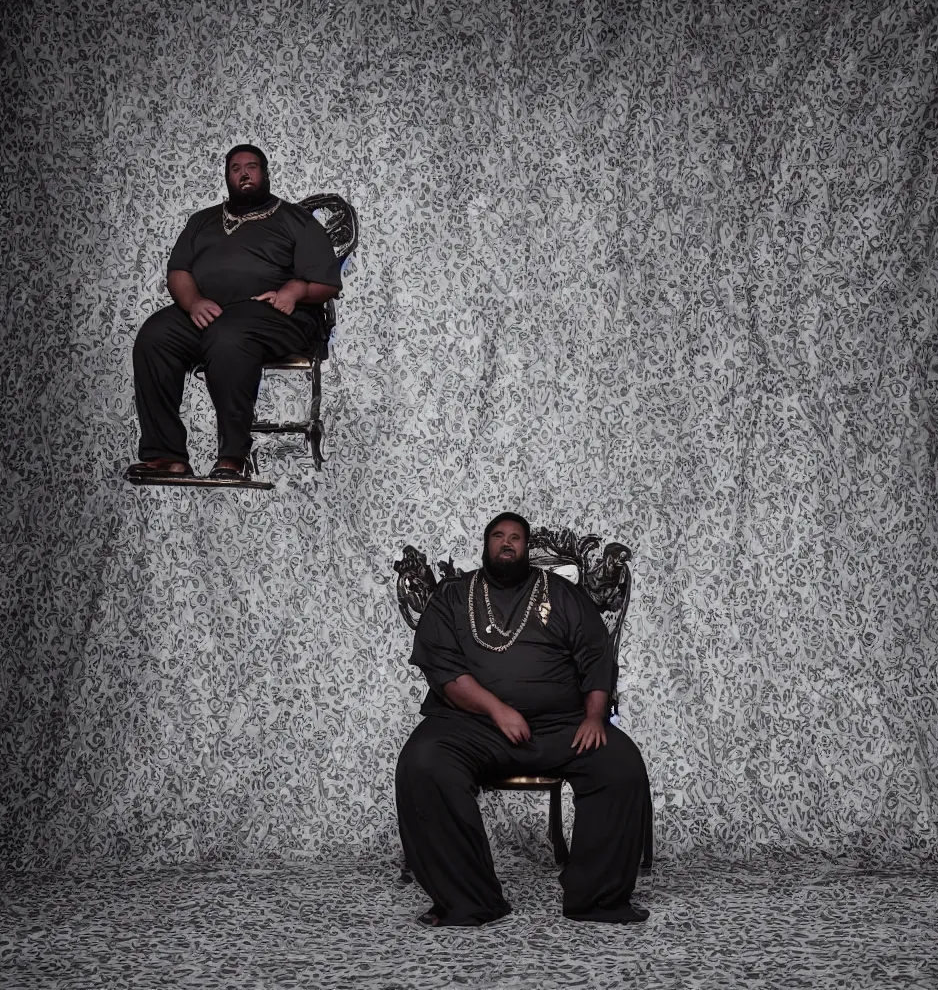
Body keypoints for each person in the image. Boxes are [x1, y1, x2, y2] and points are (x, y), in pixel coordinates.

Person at [395, 512, 652, 927]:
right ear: (485, 544)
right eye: (498, 536)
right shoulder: (453, 595)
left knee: (619, 764)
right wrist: (498, 709)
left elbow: (596, 656)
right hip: (471, 725)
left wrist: (594, 717)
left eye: (516, 537)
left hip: (561, 726)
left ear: (527, 547)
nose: (507, 543)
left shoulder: (564, 594)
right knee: (422, 763)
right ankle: (469, 900)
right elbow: (442, 668)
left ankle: (596, 899)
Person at [127, 144, 341, 480]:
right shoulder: (202, 221)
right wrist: (194, 302)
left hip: (278, 315)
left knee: (229, 336)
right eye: (235, 168)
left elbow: (327, 284)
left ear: (265, 173)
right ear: (227, 176)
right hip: (211, 313)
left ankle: (233, 457)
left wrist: (294, 290)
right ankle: (166, 455)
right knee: (156, 336)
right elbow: (179, 272)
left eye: (252, 167)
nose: (244, 174)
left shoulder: (294, 220)